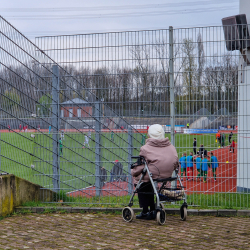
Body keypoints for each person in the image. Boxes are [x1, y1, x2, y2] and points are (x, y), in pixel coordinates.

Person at [131, 124, 178, 220]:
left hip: (153, 174)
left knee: (140, 181)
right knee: (148, 179)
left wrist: (134, 172)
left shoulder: (145, 149)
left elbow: (141, 165)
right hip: (168, 174)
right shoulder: (171, 147)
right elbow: (176, 162)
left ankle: (145, 210)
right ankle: (153, 208)